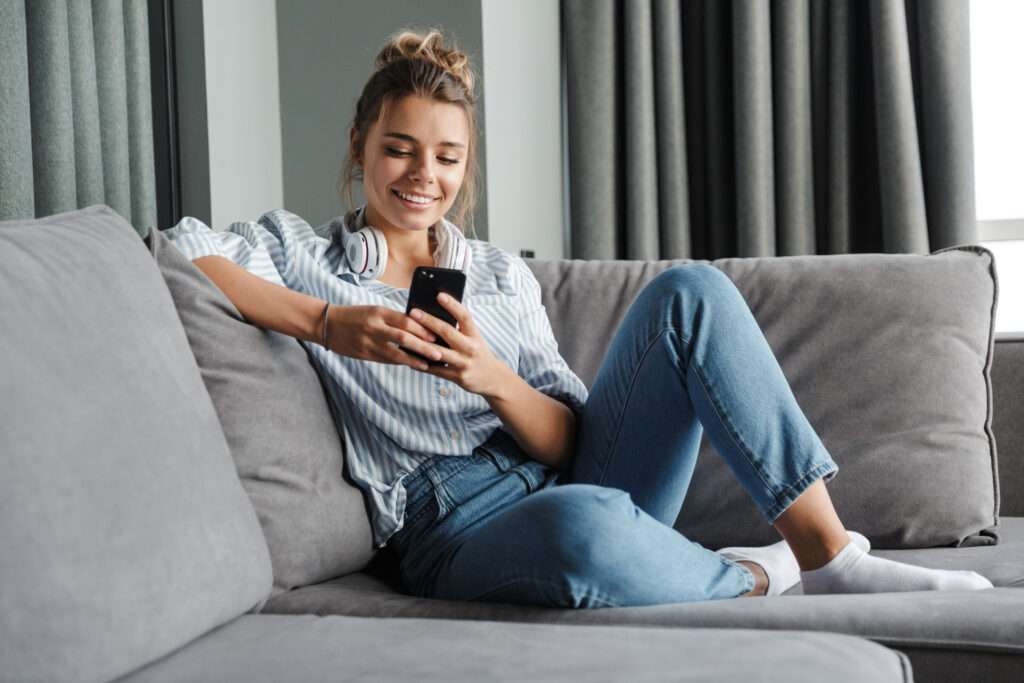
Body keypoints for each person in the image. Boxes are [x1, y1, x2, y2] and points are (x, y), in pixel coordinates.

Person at [165, 29, 993, 607]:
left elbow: (568, 438)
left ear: (465, 166)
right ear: (360, 145)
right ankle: (753, 574)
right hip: (451, 521)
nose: (423, 175)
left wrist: (492, 379)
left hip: (569, 470)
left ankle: (829, 553)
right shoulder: (302, 252)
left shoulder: (494, 273)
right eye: (399, 148)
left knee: (690, 292)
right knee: (584, 526)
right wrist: (325, 322)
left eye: (447, 157)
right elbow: (185, 246)